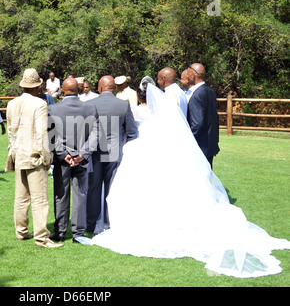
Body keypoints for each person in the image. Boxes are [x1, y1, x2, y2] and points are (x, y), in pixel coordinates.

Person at [90, 84, 290, 278]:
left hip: (140, 154)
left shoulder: (137, 112)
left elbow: (132, 132)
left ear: (141, 97)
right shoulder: (164, 114)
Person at [6, 68, 62, 248]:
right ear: (38, 86)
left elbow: (10, 133)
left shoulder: (12, 104)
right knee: (39, 199)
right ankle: (41, 237)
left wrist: (12, 153)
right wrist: (47, 157)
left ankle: (21, 232)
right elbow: (42, 134)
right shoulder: (39, 104)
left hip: (18, 154)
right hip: (34, 156)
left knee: (21, 197)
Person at [48, 77, 98, 243]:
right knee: (80, 195)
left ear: (62, 91)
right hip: (82, 160)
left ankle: (60, 231)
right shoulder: (90, 108)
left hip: (63, 160)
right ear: (79, 90)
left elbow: (50, 135)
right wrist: (82, 154)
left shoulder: (53, 109)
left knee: (61, 195)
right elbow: (95, 134)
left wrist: (64, 154)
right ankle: (78, 233)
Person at [85, 76, 138, 234]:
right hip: (115, 152)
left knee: (93, 188)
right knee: (111, 189)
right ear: (114, 88)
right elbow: (132, 133)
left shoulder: (88, 105)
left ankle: (90, 223)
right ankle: (110, 223)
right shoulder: (123, 105)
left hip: (94, 153)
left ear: (100, 88)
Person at [186, 63, 220, 168]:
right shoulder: (210, 91)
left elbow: (197, 123)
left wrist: (188, 140)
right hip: (210, 141)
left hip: (200, 144)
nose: (187, 77)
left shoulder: (197, 95)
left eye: (188, 74)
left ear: (193, 76)